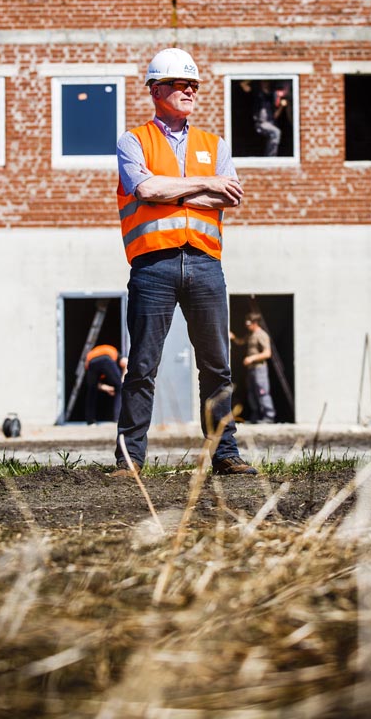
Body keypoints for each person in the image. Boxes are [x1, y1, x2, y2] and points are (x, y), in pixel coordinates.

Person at [112, 47, 257, 477]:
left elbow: (226, 195)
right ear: (156, 89)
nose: (190, 89)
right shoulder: (133, 141)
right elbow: (145, 189)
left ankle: (225, 453)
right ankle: (129, 460)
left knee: (217, 365)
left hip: (205, 263)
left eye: (193, 83)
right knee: (141, 365)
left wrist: (177, 187)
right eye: (180, 83)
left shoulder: (215, 145)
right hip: (152, 267)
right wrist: (204, 184)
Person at [230, 313, 276, 423]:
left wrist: (252, 358)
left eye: (249, 324)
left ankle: (269, 416)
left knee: (262, 391)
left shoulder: (261, 335)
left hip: (259, 369)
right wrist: (233, 337)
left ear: (255, 323)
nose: (247, 326)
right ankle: (256, 417)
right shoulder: (251, 335)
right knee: (252, 393)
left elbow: (267, 353)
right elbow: (241, 342)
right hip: (251, 370)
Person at [84, 344, 128, 425]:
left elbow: (95, 384)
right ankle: (118, 418)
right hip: (106, 359)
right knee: (120, 387)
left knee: (91, 390)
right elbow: (126, 363)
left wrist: (107, 389)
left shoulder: (94, 353)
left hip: (91, 362)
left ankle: (90, 421)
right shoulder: (117, 355)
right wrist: (122, 381)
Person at [252, 80, 285, 157]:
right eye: (263, 82)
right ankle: (271, 157)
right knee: (276, 132)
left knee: (274, 135)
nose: (265, 84)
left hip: (270, 123)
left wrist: (281, 106)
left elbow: (275, 116)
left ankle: (270, 156)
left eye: (267, 82)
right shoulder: (257, 96)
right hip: (260, 123)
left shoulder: (271, 99)